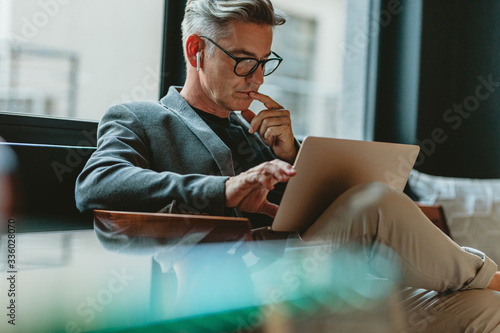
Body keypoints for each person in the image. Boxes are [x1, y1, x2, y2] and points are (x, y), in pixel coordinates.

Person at [75, 0, 500, 331]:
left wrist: (293, 155)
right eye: (243, 60)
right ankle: (488, 273)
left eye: (264, 62)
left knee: (487, 310)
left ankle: (485, 284)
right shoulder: (141, 118)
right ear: (196, 49)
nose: (257, 79)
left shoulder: (261, 137)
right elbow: (96, 183)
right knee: (376, 203)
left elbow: (320, 222)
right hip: (244, 296)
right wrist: (223, 190)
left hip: (329, 288)